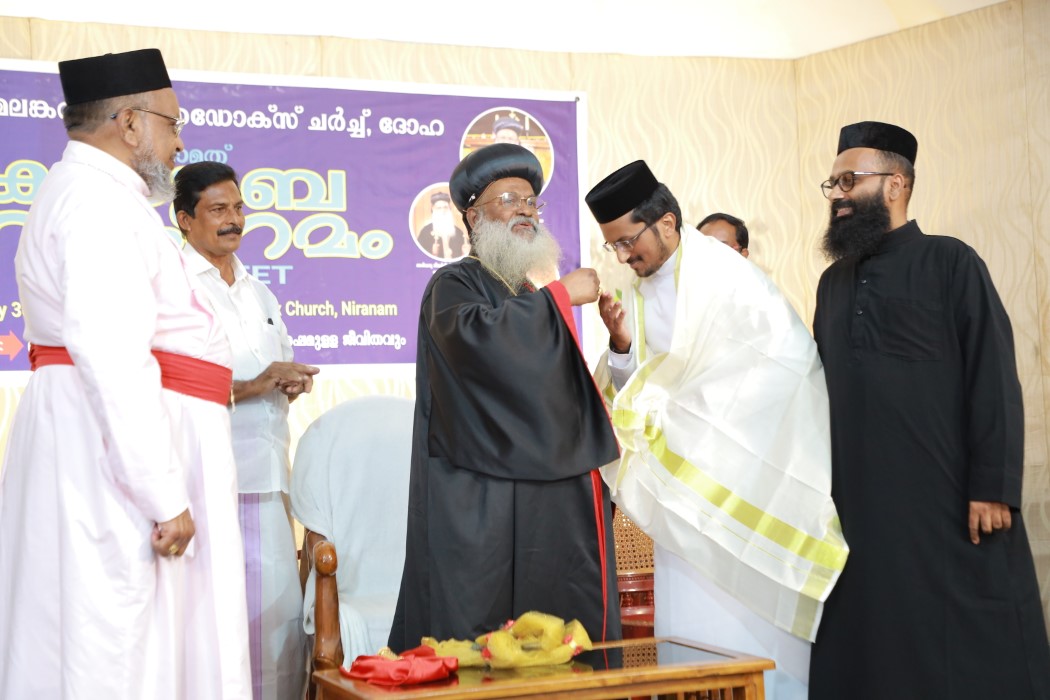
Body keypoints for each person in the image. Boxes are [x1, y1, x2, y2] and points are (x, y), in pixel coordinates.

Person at [0, 49, 250, 699]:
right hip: (111, 462)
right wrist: (163, 493)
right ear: (130, 123)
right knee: (117, 645)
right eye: (172, 124)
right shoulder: (96, 204)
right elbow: (111, 352)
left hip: (107, 444)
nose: (179, 143)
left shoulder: (98, 194)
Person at [585, 160, 848, 699]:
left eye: (629, 241)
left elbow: (784, 367)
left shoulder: (728, 277)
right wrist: (621, 347)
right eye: (614, 247)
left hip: (746, 481)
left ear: (666, 222)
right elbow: (631, 394)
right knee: (693, 640)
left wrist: (696, 419)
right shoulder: (633, 296)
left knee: (759, 647)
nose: (624, 256)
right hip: (680, 502)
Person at [809, 120, 1050, 698]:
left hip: (948, 504)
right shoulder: (832, 284)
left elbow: (993, 375)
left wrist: (992, 485)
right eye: (833, 183)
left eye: (850, 180)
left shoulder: (951, 262)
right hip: (859, 508)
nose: (838, 194)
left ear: (896, 185)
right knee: (869, 651)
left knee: (963, 652)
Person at [389, 143, 622, 652]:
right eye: (509, 199)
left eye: (531, 201)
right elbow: (476, 339)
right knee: (478, 637)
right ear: (473, 216)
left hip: (538, 489)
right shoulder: (453, 283)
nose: (525, 211)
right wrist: (560, 298)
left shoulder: (526, 293)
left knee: (551, 633)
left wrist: (618, 344)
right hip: (478, 491)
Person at [174, 161, 319, 700]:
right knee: (213, 628)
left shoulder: (259, 291)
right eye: (218, 210)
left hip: (268, 480)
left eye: (238, 207)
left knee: (277, 628)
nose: (233, 220)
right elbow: (171, 386)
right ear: (185, 219)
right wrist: (258, 384)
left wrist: (290, 381)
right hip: (206, 484)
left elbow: (274, 367)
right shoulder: (174, 288)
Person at [416, 191, 468, 259]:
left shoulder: (458, 232)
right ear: (433, 209)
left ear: (449, 209)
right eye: (439, 208)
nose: (443, 211)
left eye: (445, 207)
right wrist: (433, 253)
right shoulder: (425, 232)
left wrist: (464, 253)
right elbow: (417, 256)